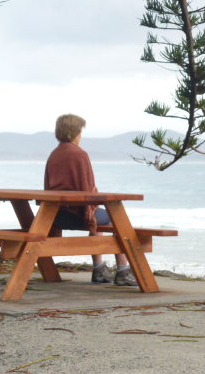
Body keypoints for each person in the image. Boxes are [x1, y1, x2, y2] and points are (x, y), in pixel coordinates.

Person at [44, 114, 137, 286]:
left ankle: (100, 268)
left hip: (56, 216)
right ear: (75, 133)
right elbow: (89, 191)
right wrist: (91, 208)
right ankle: (122, 270)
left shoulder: (54, 155)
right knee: (116, 219)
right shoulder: (80, 155)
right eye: (81, 132)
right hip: (76, 214)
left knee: (102, 217)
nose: (81, 135)